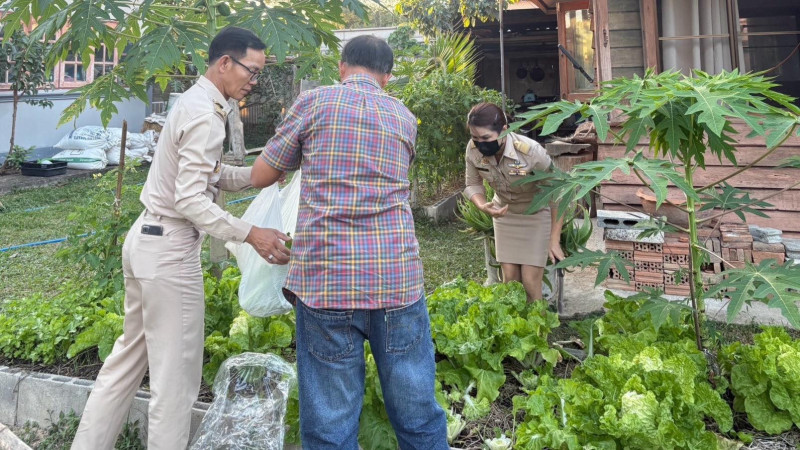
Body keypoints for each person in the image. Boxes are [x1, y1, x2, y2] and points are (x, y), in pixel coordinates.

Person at [71, 27, 291, 450]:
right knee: (175, 383)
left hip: (145, 240)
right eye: (252, 70)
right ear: (224, 63)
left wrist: (254, 176)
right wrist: (251, 234)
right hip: (170, 252)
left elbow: (205, 174)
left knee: (123, 366)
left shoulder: (193, 102)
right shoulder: (207, 116)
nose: (254, 81)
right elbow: (189, 198)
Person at [250, 35, 448, 449]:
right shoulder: (404, 116)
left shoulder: (312, 102)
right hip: (396, 279)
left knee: (330, 426)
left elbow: (263, 175)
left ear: (341, 67)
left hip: (327, 281)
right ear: (387, 77)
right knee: (417, 414)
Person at [464, 102, 564, 302]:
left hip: (535, 215)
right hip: (505, 214)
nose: (480, 143)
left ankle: (537, 321)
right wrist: (482, 205)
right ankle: (517, 323)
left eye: (486, 138)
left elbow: (558, 194)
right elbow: (473, 184)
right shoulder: (473, 149)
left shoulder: (530, 152)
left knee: (530, 282)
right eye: (475, 138)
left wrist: (554, 239)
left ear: (504, 130)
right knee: (510, 281)